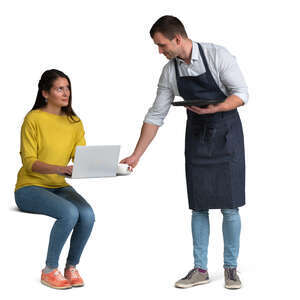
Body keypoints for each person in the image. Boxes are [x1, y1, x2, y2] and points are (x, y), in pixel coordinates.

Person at [121, 16, 248, 289]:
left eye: (162, 45)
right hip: (197, 139)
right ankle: (200, 269)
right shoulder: (170, 72)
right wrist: (136, 155)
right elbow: (156, 114)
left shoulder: (217, 55)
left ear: (177, 39)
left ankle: (231, 269)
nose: (160, 51)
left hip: (227, 135)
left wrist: (215, 108)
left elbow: (241, 94)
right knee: (198, 206)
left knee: (230, 206)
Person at [14, 69, 95, 290]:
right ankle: (49, 269)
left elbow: (81, 156)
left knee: (87, 214)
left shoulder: (74, 121)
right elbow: (29, 162)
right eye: (60, 88)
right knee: (69, 212)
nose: (66, 92)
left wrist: (100, 166)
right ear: (45, 93)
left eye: (68, 88)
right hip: (29, 187)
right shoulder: (33, 119)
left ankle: (71, 267)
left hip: (58, 186)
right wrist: (61, 168)